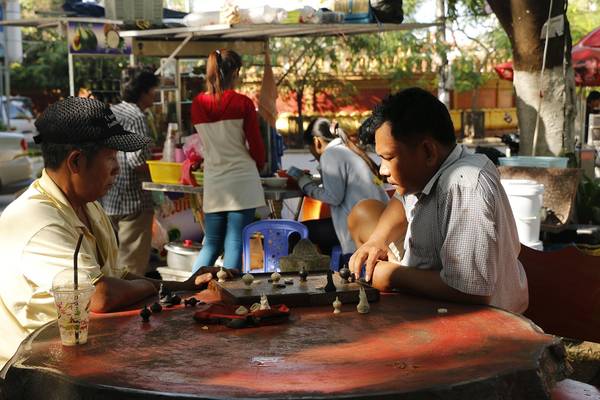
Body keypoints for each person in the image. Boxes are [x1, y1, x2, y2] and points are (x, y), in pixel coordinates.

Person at [0, 97, 224, 370]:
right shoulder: (38, 220)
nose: (117, 168)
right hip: (32, 373)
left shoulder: (89, 207)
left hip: (80, 354)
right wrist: (157, 286)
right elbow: (101, 295)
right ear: (76, 162)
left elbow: (117, 277)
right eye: (111, 157)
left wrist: (186, 285)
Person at [348, 87, 528, 313]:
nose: (382, 170)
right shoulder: (425, 174)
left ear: (428, 151)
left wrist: (392, 277)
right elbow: (401, 200)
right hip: (440, 309)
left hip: (483, 327)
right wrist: (376, 240)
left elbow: (471, 289)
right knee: (365, 211)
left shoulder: (464, 184)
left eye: (389, 158)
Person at [190, 49, 266, 272]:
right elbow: (257, 146)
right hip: (242, 180)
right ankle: (228, 295)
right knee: (234, 243)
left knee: (211, 244)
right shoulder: (242, 103)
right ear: (234, 71)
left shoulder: (197, 104)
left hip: (214, 181)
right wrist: (260, 165)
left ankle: (189, 289)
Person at [288, 118, 389, 261]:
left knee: (295, 233)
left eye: (310, 150)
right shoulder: (347, 150)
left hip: (357, 227)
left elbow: (333, 197)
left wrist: (304, 182)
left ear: (317, 141)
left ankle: (294, 277)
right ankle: (329, 271)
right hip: (374, 223)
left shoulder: (330, 154)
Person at [101, 68, 159, 277]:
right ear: (143, 92)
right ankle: (131, 308)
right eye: (153, 89)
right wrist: (161, 173)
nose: (156, 93)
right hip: (133, 200)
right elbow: (137, 161)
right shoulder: (136, 116)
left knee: (111, 265)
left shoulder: (111, 112)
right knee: (132, 269)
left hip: (108, 198)